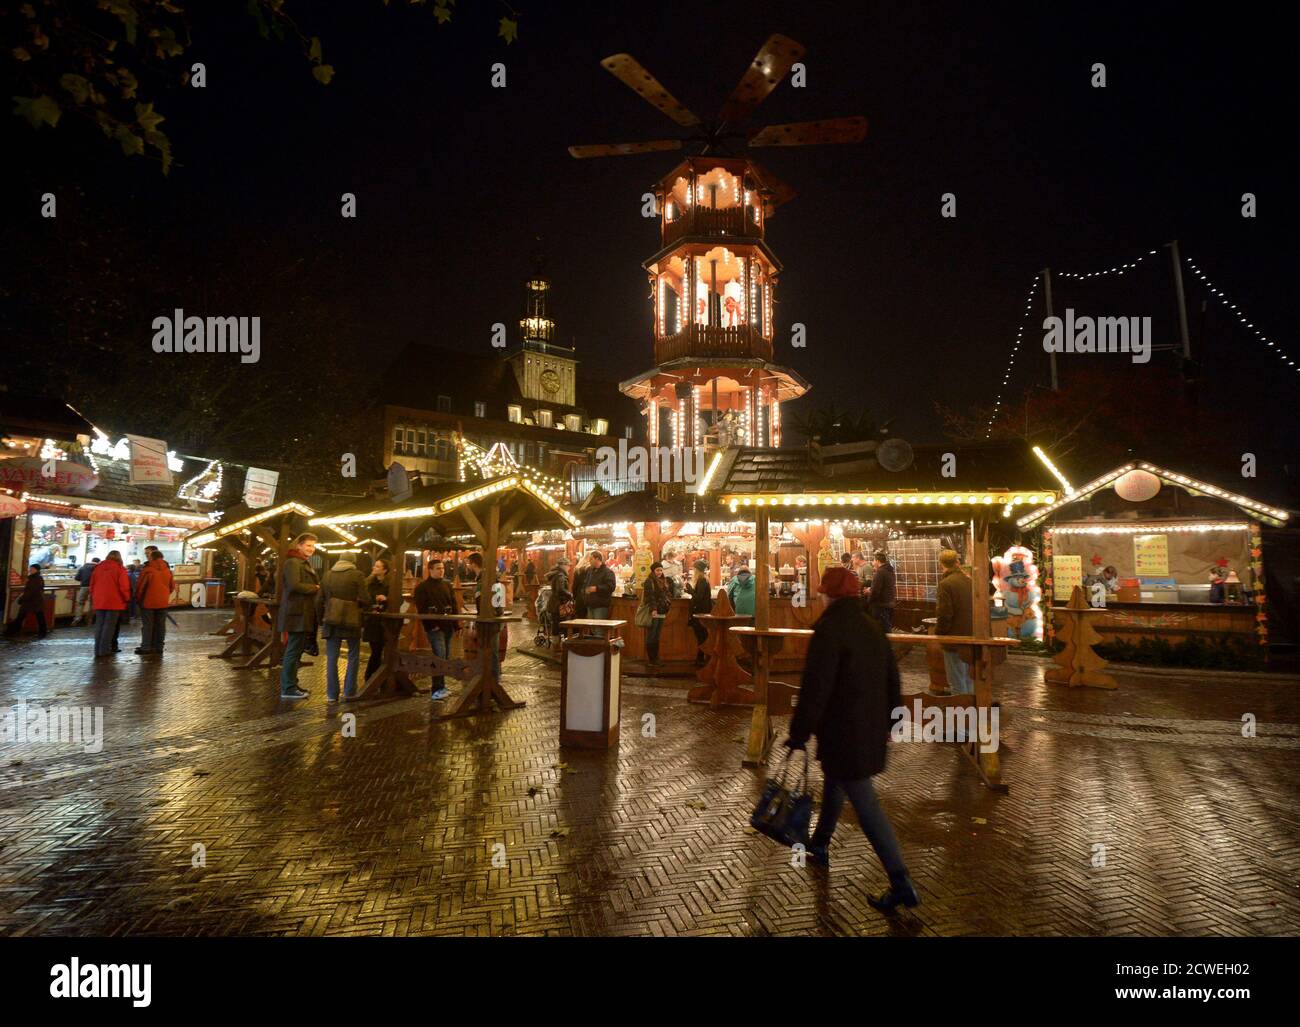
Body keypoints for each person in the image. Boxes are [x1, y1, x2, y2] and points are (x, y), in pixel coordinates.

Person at [785, 565, 918, 913]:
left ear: (828, 594)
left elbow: (816, 688)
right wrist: (893, 719)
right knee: (835, 783)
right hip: (868, 728)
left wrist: (799, 733)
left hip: (846, 733)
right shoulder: (872, 626)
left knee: (867, 806)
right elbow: (894, 679)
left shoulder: (829, 630)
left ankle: (901, 882)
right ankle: (820, 843)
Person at [316, 554, 371, 703]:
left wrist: (321, 619)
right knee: (353, 656)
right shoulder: (357, 575)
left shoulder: (327, 575)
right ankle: (349, 691)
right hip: (351, 620)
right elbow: (366, 599)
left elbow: (319, 599)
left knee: (332, 657)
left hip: (331, 621)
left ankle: (332, 694)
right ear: (353, 562)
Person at [277, 533, 321, 700]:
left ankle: (292, 685)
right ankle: (288, 688)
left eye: (313, 546)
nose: (311, 549)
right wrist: (315, 588)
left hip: (302, 612)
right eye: (308, 545)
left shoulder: (301, 562)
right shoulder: (292, 563)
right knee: (293, 651)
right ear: (299, 546)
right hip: (296, 613)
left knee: (295, 652)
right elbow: (294, 585)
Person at [413, 559, 458, 701]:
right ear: (430, 570)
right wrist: (431, 625)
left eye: (442, 568)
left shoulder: (447, 585)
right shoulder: (422, 588)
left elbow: (454, 603)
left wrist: (456, 624)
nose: (441, 570)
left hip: (448, 626)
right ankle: (436, 688)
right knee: (439, 657)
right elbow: (421, 608)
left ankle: (441, 686)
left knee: (445, 658)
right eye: (438, 568)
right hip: (435, 628)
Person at [935, 549, 974, 695]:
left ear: (941, 564)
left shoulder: (946, 584)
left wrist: (939, 633)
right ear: (957, 562)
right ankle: (972, 712)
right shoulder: (969, 581)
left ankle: (960, 715)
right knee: (968, 678)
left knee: (956, 680)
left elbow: (945, 614)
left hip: (953, 639)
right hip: (970, 636)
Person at [89, 550, 131, 657]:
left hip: (99, 601)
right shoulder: (120, 569)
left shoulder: (98, 568)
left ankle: (97, 650)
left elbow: (92, 585)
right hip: (114, 601)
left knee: (99, 626)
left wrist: (94, 597)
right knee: (109, 627)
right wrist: (126, 598)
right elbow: (124, 587)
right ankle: (104, 650)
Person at [134, 550, 175, 655]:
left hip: (148, 602)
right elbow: (172, 587)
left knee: (148, 625)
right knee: (161, 625)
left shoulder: (148, 570)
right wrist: (164, 595)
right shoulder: (167, 570)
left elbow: (141, 587)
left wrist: (138, 599)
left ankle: (146, 647)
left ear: (152, 557)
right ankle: (159, 646)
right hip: (163, 602)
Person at [639, 561, 673, 666]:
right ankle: (651, 659)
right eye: (657, 570)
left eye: (661, 570)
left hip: (662, 611)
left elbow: (667, 594)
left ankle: (656, 658)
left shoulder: (664, 581)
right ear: (653, 571)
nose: (659, 572)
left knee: (657, 636)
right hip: (653, 611)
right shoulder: (649, 581)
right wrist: (653, 609)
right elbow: (650, 597)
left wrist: (668, 602)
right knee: (652, 635)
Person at [5, 564, 48, 640]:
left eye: (31, 568)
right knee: (38, 616)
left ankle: (13, 631)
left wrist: (22, 599)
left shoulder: (35, 578)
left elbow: (30, 591)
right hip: (35, 601)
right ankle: (42, 632)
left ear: (36, 570)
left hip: (32, 601)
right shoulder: (36, 578)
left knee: (23, 616)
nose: (30, 570)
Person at [687, 560, 713, 666]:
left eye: (694, 569)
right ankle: (702, 657)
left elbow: (698, 598)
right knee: (702, 635)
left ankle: (701, 658)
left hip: (700, 612)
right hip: (703, 611)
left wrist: (690, 590)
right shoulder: (704, 579)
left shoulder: (701, 580)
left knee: (701, 636)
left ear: (697, 570)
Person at [866, 550, 896, 632]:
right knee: (887, 627)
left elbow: (876, 591)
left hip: (880, 605)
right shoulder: (890, 571)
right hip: (889, 603)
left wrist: (869, 600)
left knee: (882, 630)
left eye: (873, 560)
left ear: (877, 561)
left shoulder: (880, 572)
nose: (872, 563)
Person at [581, 550, 616, 621]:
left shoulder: (608, 572)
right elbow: (585, 584)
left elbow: (610, 587)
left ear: (597, 559)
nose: (589, 561)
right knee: (592, 628)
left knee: (599, 629)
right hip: (590, 604)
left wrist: (596, 588)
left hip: (600, 605)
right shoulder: (590, 571)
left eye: (591, 559)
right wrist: (584, 591)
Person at [72, 557, 99, 625]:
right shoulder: (98, 568)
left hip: (84, 587)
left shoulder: (83, 567)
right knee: (92, 604)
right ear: (98, 562)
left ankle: (77, 618)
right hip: (94, 588)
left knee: (80, 603)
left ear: (91, 561)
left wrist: (84, 579)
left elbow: (77, 578)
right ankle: (89, 619)